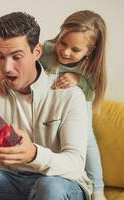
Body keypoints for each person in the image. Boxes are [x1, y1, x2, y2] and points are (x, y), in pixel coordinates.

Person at [0, 12, 92, 200]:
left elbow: (75, 163)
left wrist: (33, 154)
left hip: (60, 180)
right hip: (10, 177)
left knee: (49, 187)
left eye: (16, 56)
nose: (6, 68)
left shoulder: (69, 94)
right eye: (0, 56)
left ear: (37, 51)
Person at [39, 10, 107, 200]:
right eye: (63, 43)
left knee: (86, 136)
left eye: (75, 50)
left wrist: (79, 79)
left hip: (79, 104)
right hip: (50, 108)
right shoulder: (46, 51)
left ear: (90, 50)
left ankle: (98, 189)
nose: (66, 52)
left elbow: (93, 88)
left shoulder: (91, 68)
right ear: (59, 35)